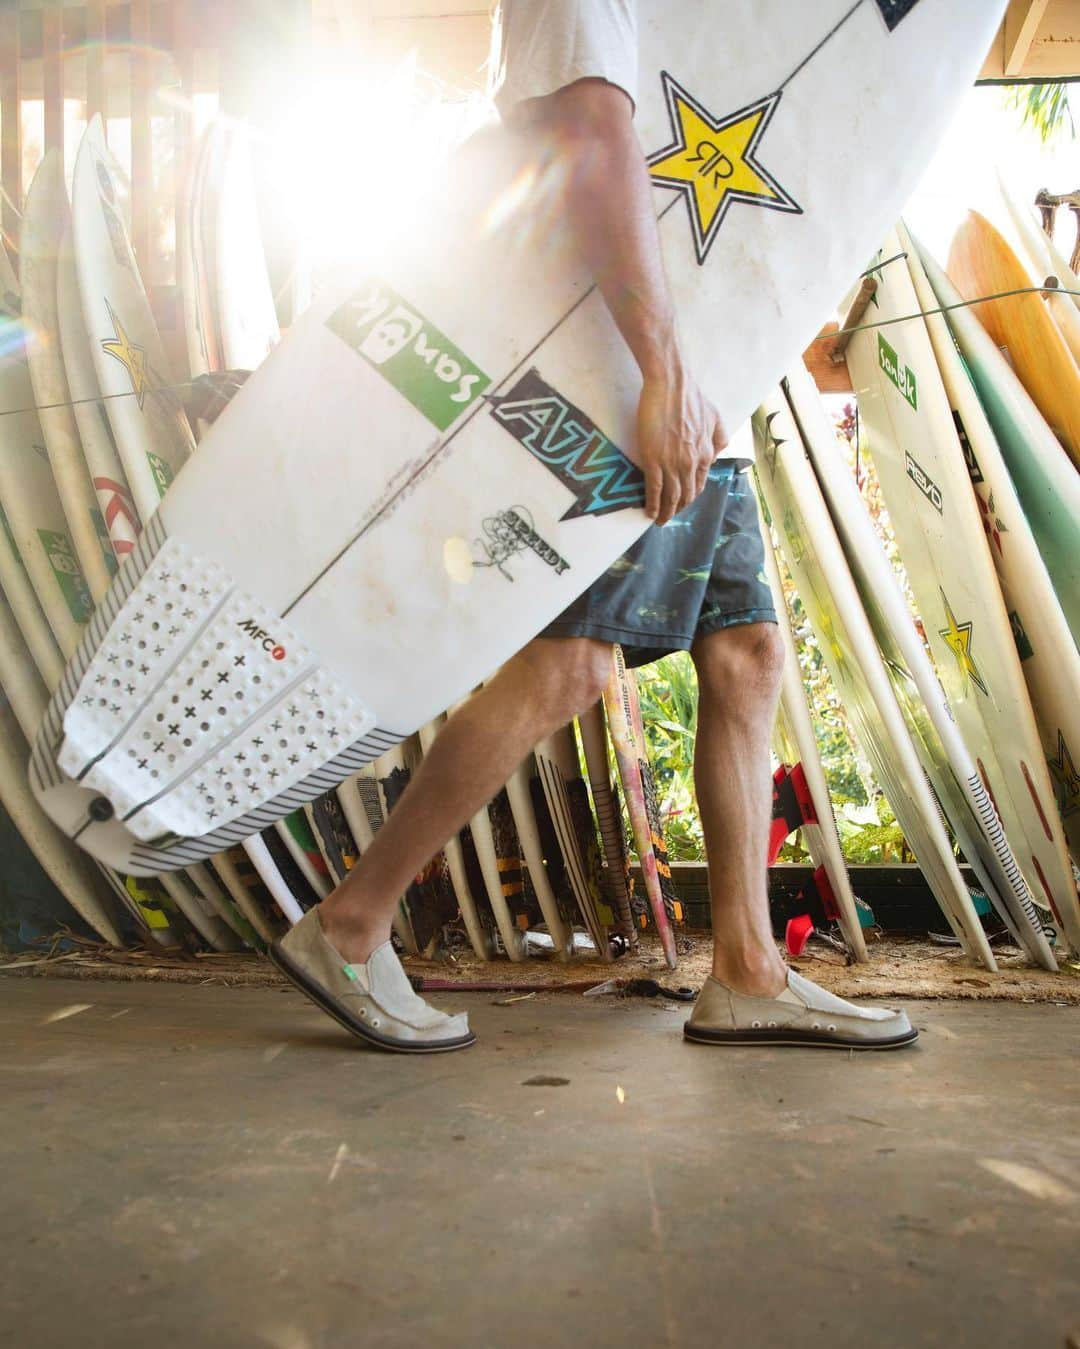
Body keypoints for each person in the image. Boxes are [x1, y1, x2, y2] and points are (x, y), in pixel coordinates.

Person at [270, 0, 916, 1053]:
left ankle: (749, 967)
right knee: (570, 662)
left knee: (747, 656)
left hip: (692, 384)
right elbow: (590, 132)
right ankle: (352, 920)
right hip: (615, 381)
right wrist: (660, 370)